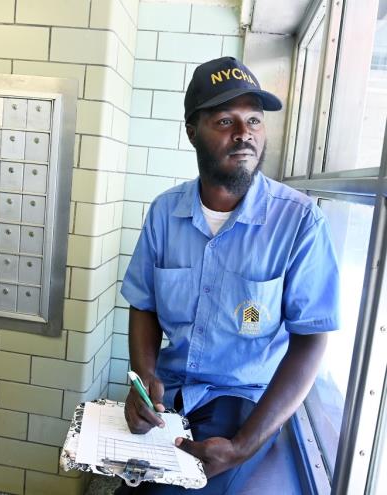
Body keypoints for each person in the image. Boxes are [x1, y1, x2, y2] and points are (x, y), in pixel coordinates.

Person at [116, 57, 340, 494]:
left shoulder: (299, 222)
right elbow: (143, 303)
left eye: (254, 119)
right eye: (225, 120)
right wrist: (144, 382)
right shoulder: (165, 212)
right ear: (192, 132)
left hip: (244, 400)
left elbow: (312, 338)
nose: (244, 133)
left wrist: (242, 445)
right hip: (176, 391)